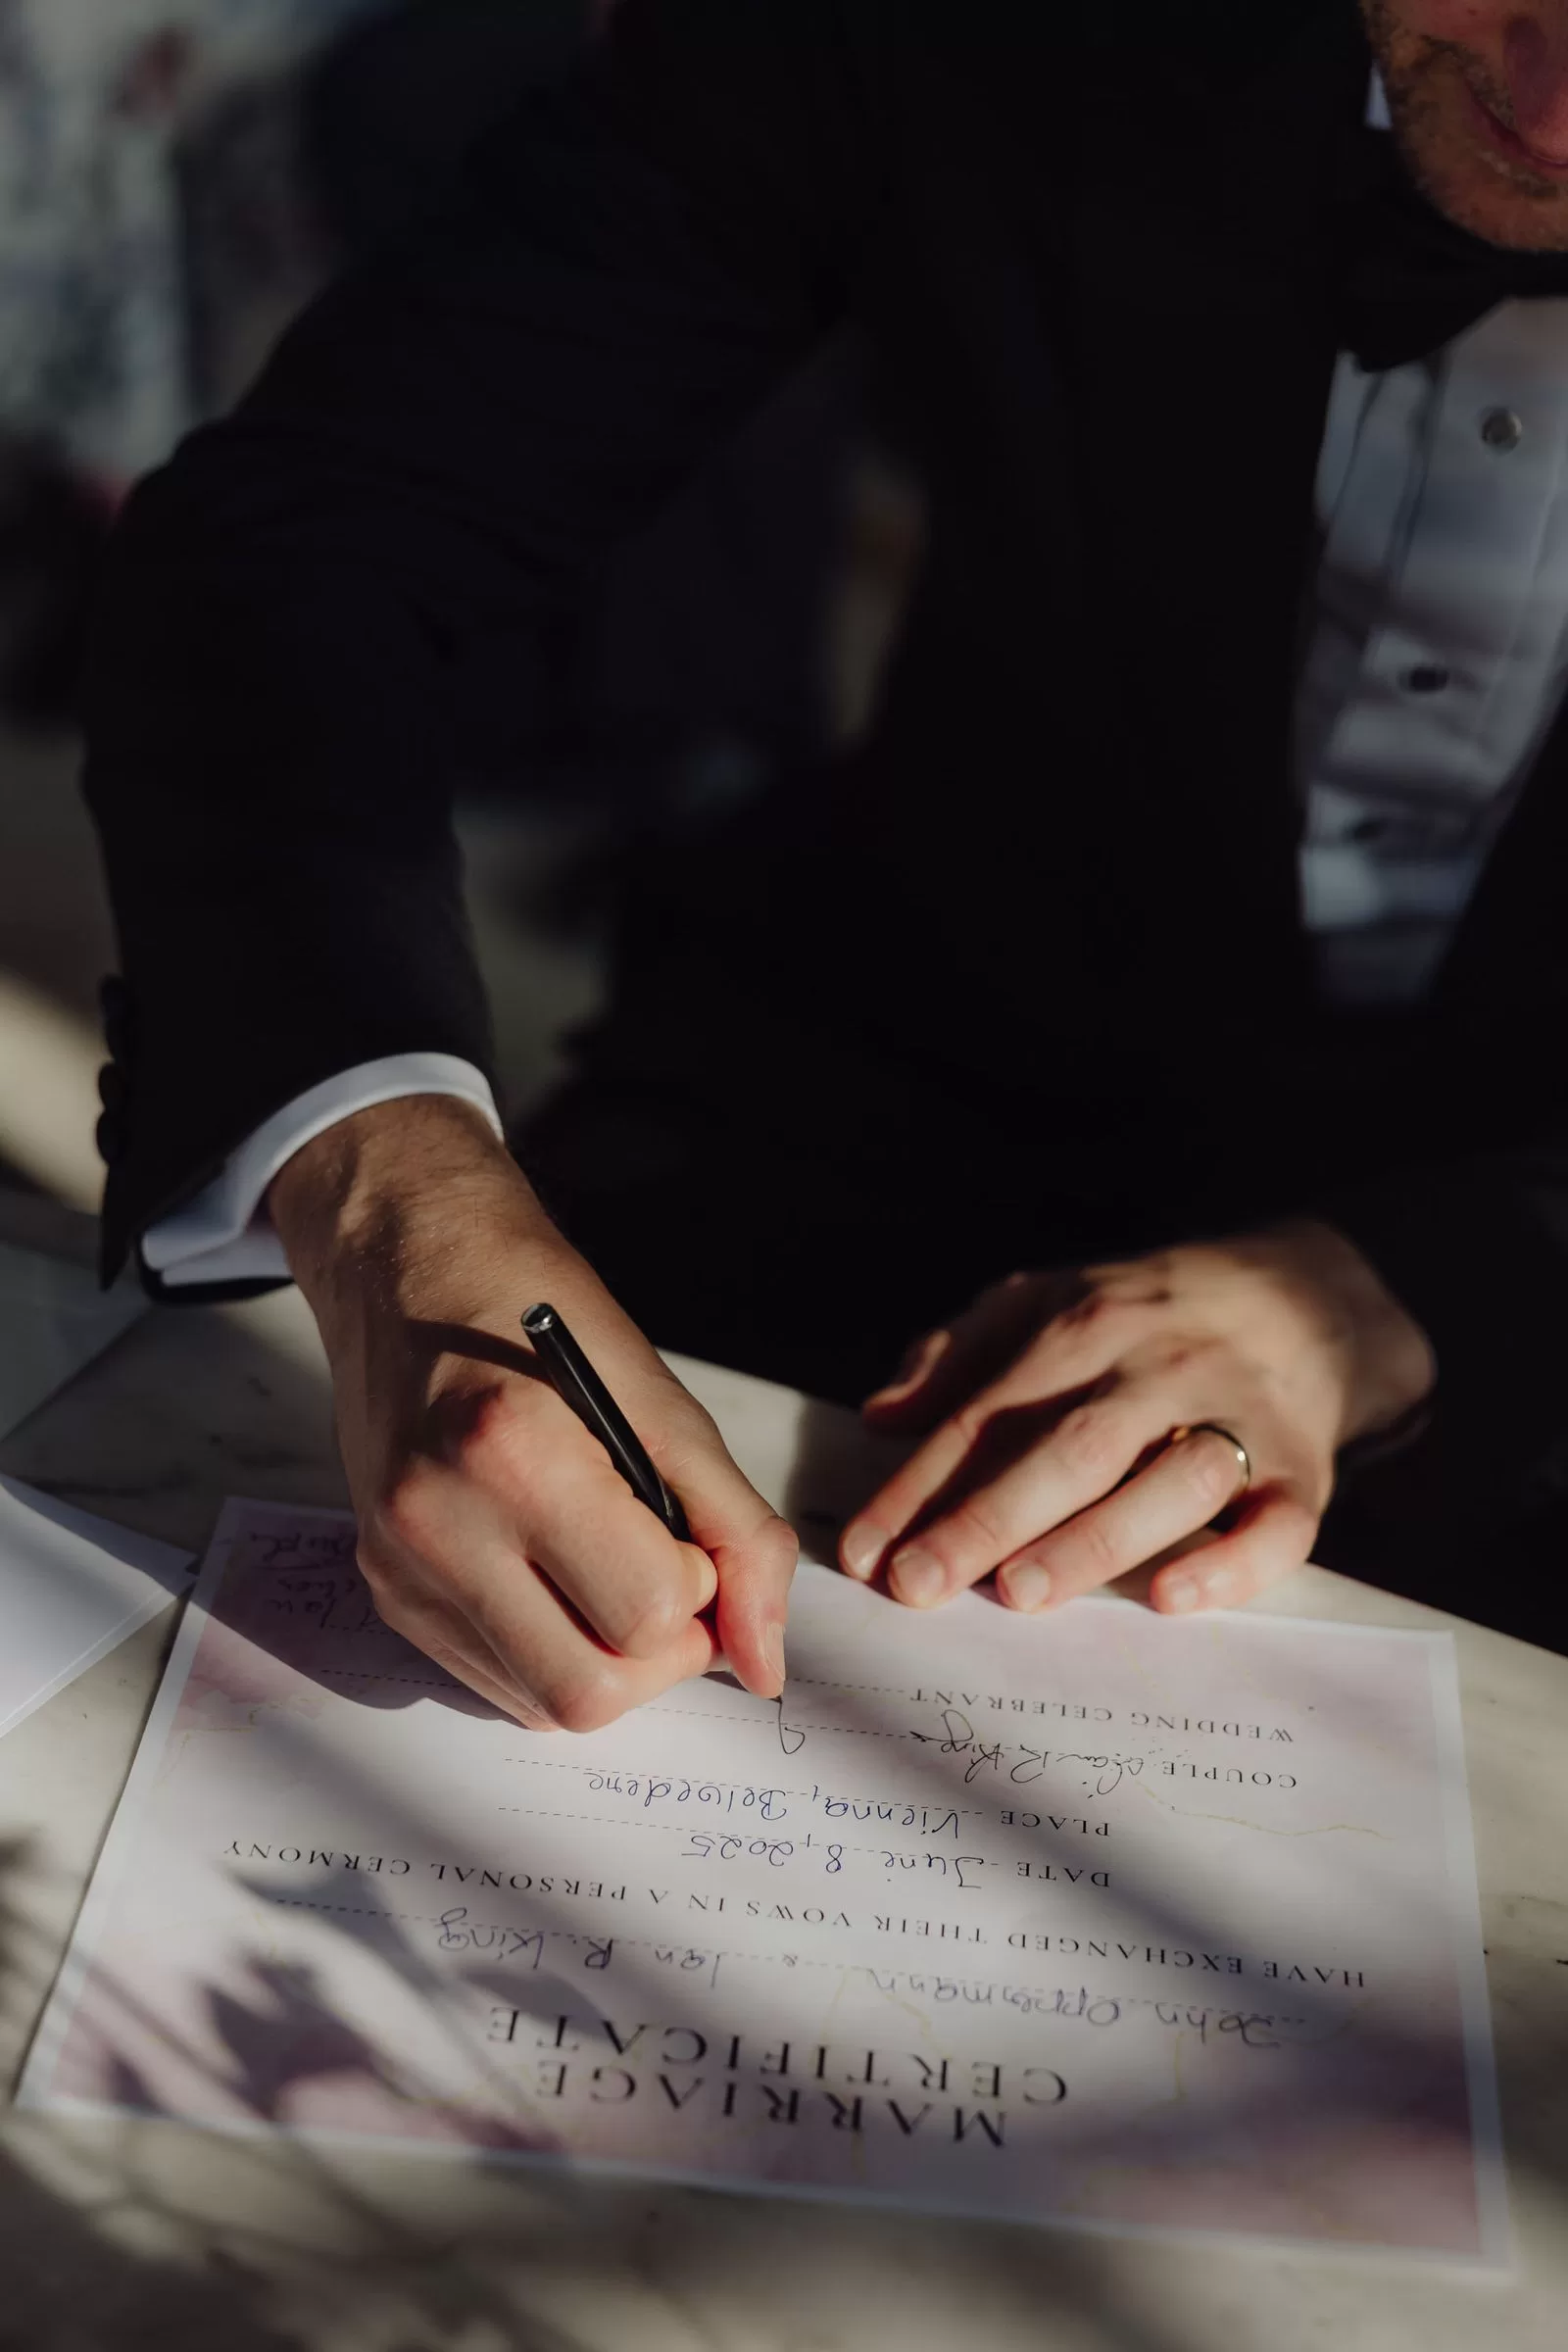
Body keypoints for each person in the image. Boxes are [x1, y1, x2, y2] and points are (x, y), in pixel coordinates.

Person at [83, 0, 1568, 1730]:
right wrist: (387, 1183)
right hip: (916, 1087)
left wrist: (1423, 1289)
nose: (1552, 105)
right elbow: (320, 529)